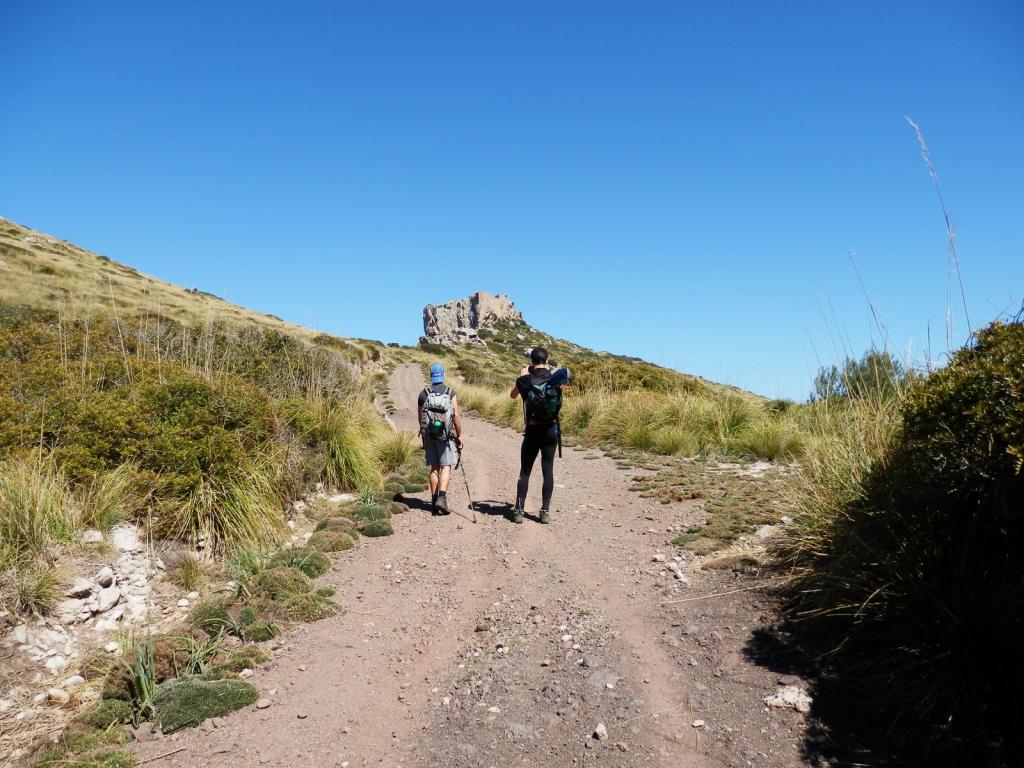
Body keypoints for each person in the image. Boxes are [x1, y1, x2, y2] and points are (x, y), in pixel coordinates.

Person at [508, 346, 569, 524]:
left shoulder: (525, 380)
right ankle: (544, 512)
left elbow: (512, 396)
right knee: (548, 471)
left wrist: (521, 376)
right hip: (550, 430)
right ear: (547, 361)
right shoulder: (555, 379)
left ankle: (519, 511)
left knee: (525, 472)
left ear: (531, 361)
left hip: (532, 430)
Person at [418, 363, 463, 515]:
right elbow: (456, 417)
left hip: (429, 435)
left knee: (434, 467)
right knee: (445, 466)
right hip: (446, 436)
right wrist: (459, 435)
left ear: (431, 375)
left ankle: (433, 500)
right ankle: (442, 498)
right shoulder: (450, 393)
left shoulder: (424, 394)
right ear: (443, 375)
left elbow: (420, 418)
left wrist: (426, 433)